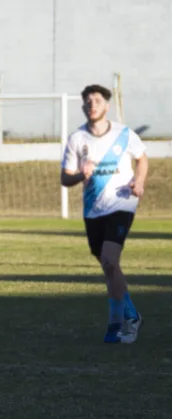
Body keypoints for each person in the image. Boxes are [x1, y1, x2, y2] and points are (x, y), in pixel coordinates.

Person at [61, 84, 148, 344]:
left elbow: (142, 158)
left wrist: (139, 181)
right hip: (93, 209)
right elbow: (65, 179)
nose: (92, 105)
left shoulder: (124, 134)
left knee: (110, 260)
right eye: (88, 101)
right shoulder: (77, 139)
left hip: (122, 203)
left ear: (106, 106)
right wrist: (80, 174)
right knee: (109, 266)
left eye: (97, 101)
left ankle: (117, 325)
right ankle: (131, 314)